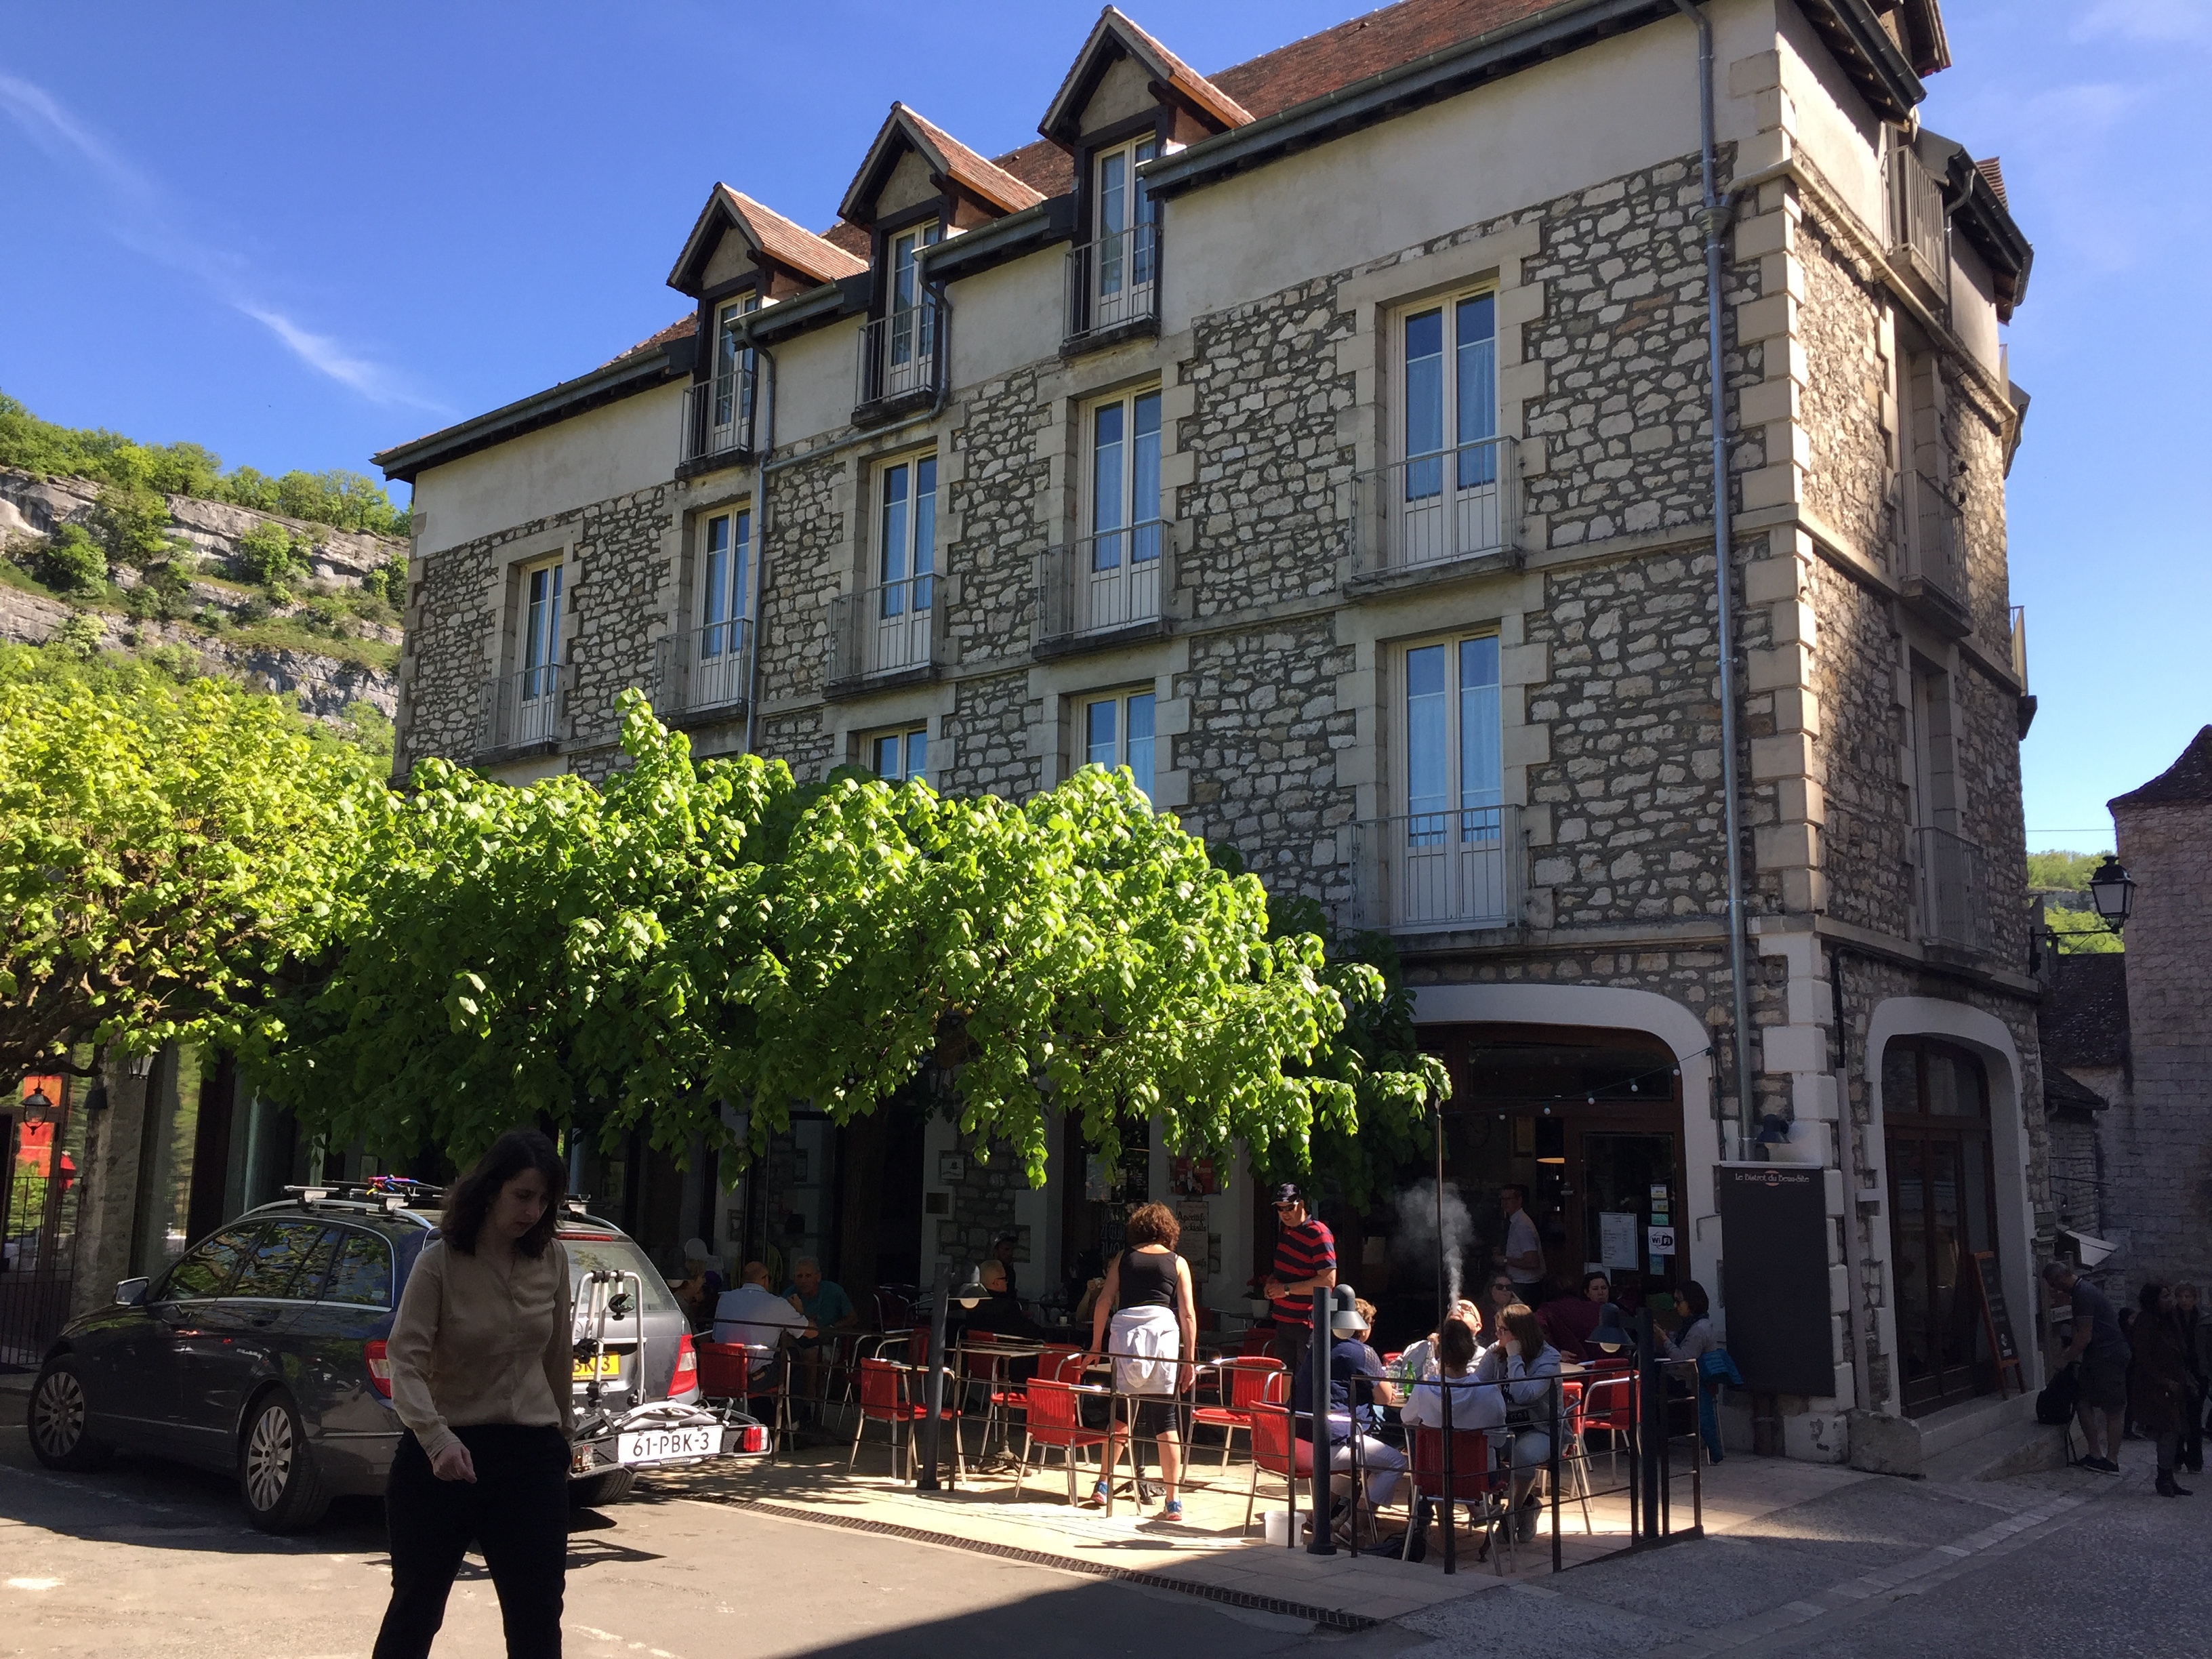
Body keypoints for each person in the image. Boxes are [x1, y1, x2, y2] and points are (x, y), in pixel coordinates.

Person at [374, 1130, 573, 1659]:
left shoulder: (552, 1260)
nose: (534, 1211)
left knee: (537, 1620)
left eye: (544, 1200)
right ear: (490, 1190)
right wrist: (437, 1441)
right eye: (523, 1196)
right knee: (416, 1612)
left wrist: (563, 1440)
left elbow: (557, 1357)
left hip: (529, 1458)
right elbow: (406, 1361)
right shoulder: (438, 1264)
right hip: (443, 1457)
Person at [1085, 1202, 1197, 1519]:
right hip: (1162, 1341)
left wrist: (1096, 1345)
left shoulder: (1123, 1259)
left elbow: (1104, 1300)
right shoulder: (1178, 1263)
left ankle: (1103, 1483)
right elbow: (1187, 1313)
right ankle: (1173, 1500)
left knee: (1121, 1414)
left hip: (1125, 1339)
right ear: (1169, 1230)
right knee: (1166, 1420)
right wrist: (1189, 1360)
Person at [1290, 1294, 1407, 1543]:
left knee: (1357, 1457)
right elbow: (1385, 1399)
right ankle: (1355, 1525)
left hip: (1298, 1440)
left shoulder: (1318, 1345)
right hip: (1329, 1443)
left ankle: (1318, 1517)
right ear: (1362, 1327)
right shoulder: (1363, 1353)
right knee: (1394, 1462)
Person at [1398, 1317, 1498, 1563]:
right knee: (1487, 1452)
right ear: (1472, 1351)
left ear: (1439, 1352)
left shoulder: (1424, 1389)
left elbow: (1406, 1417)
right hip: (1476, 1479)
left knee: (1441, 1456)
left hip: (1432, 1478)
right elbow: (1497, 1433)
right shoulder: (1488, 1391)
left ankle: (1444, 1536)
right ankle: (1481, 1511)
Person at [1473, 1303, 1562, 1544]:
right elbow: (1477, 1385)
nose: (1497, 1335)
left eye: (1503, 1330)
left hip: (1541, 1427)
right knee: (1475, 1444)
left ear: (1519, 1333)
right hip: (1505, 1425)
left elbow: (1524, 1395)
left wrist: (1514, 1357)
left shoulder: (1549, 1358)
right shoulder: (1495, 1351)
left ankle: (1510, 1515)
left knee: (1523, 1453)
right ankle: (1526, 1505)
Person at [2044, 1259, 2128, 1474]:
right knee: (2084, 1402)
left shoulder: (2082, 1294)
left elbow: (2084, 1335)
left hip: (2107, 1355)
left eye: (2054, 1283)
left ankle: (2109, 1459)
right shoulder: (2084, 1291)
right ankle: (2097, 1454)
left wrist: (2065, 1358)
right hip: (2103, 1354)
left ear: (2061, 1276)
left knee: (2112, 1409)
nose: (2055, 1288)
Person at [1261, 1183, 1337, 1382]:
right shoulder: (1285, 1232)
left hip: (1308, 1322)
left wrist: (1285, 1290)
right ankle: (1288, 1413)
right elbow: (1288, 1270)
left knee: (1308, 1380)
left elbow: (1328, 1280)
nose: (1285, 1213)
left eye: (1289, 1207)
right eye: (1280, 1208)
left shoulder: (1319, 1233)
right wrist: (1272, 1282)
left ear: (1301, 1204)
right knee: (1284, 1378)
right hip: (1284, 1319)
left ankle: (1305, 1414)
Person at [2129, 1283, 2194, 1497]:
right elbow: (2143, 1357)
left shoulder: (2169, 1320)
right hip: (2154, 1386)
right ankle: (2164, 1477)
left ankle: (2168, 1477)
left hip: (2174, 1383)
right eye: (2165, 1296)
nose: (2170, 1300)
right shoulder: (2146, 1322)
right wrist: (2163, 1381)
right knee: (2167, 1428)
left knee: (2173, 1430)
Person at [713, 1260, 815, 1378]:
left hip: (723, 1375)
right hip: (754, 1378)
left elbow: (716, 1335)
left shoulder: (724, 1299)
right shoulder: (777, 1303)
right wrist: (800, 1311)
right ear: (766, 1279)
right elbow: (812, 1332)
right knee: (792, 1355)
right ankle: (795, 1396)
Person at [1660, 1279, 1725, 1463]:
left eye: (1679, 1301)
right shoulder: (1700, 1323)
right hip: (1699, 1379)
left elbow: (1683, 1359)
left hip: (1693, 1381)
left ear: (1691, 1302)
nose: (1675, 1306)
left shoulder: (1698, 1328)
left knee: (1650, 1384)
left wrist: (1664, 1340)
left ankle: (1654, 1440)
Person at [964, 1259, 1046, 1341]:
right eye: (1005, 1279)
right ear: (997, 1283)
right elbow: (1031, 1332)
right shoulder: (1007, 1307)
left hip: (975, 1351)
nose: (1007, 1282)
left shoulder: (971, 1304)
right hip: (1004, 1351)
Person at [1538, 1271, 1612, 1361]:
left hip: (1572, 1366)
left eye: (1604, 1288)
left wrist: (1555, 1352)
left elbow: (1535, 1333)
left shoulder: (1547, 1310)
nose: (1601, 1293)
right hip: (1604, 1366)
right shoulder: (1599, 1309)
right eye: (1595, 1289)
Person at [2175, 1282, 2206, 1476]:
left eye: (2188, 1297)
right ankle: (2177, 1458)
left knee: (2195, 1417)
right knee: (2177, 1417)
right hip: (2178, 1371)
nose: (2184, 1300)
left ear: (2195, 1299)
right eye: (2181, 1296)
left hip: (2199, 1372)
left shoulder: (2204, 1320)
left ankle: (2195, 1460)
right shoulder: (2170, 1319)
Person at [1499, 1185, 1544, 1302]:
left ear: (1519, 1200)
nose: (1504, 1203)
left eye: (1508, 1199)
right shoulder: (1515, 1222)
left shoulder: (1522, 1225)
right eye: (1502, 1199)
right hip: (1519, 1283)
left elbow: (1533, 1261)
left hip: (1525, 1286)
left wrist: (1505, 1260)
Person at [667, 1237, 725, 1329]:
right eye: (702, 1277)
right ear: (691, 1281)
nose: (704, 1281)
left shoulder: (681, 1302)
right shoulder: (682, 1306)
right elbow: (694, 1339)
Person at [990, 1231, 1023, 1304]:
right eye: (1006, 1249)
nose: (1010, 1253)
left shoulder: (1010, 1272)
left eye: (1012, 1250)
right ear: (996, 1251)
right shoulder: (987, 1272)